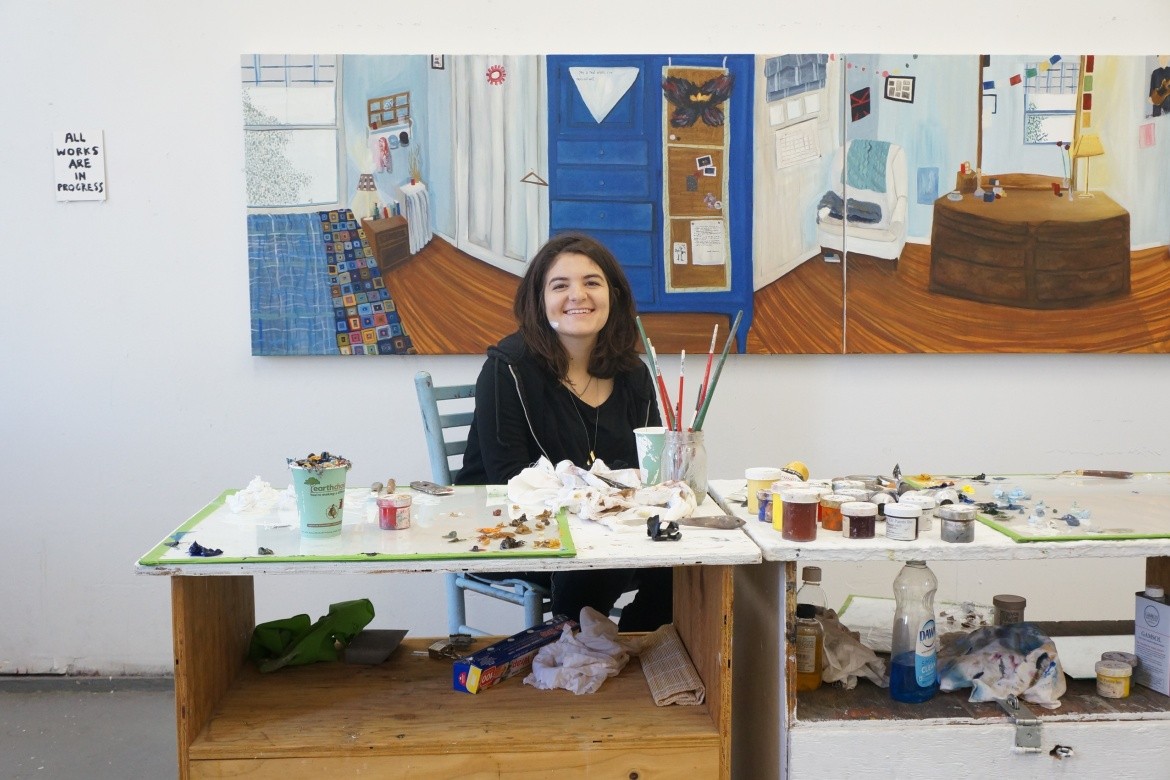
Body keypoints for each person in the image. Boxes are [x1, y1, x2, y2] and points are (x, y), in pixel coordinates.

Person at [456, 232, 671, 632]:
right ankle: (581, 656)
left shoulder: (633, 373)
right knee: (596, 565)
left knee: (688, 563)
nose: (578, 295)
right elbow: (511, 476)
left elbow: (648, 465)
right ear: (539, 299)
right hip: (510, 529)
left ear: (614, 295)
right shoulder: (508, 369)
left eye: (592, 282)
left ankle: (636, 651)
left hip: (607, 531)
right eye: (560, 285)